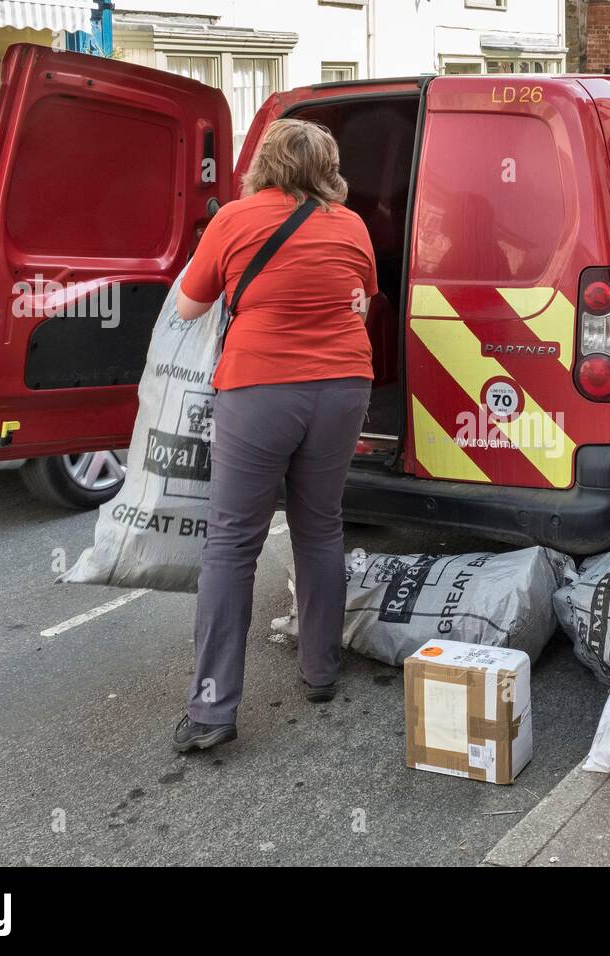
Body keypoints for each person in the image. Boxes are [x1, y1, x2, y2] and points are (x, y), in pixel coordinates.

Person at [171, 119, 377, 752]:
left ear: (263, 162)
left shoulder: (233, 219)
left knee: (233, 543)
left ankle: (211, 712)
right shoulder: (353, 225)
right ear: (328, 167)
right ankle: (320, 672)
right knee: (321, 526)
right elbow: (364, 300)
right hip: (343, 387)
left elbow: (187, 307)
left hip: (259, 389)